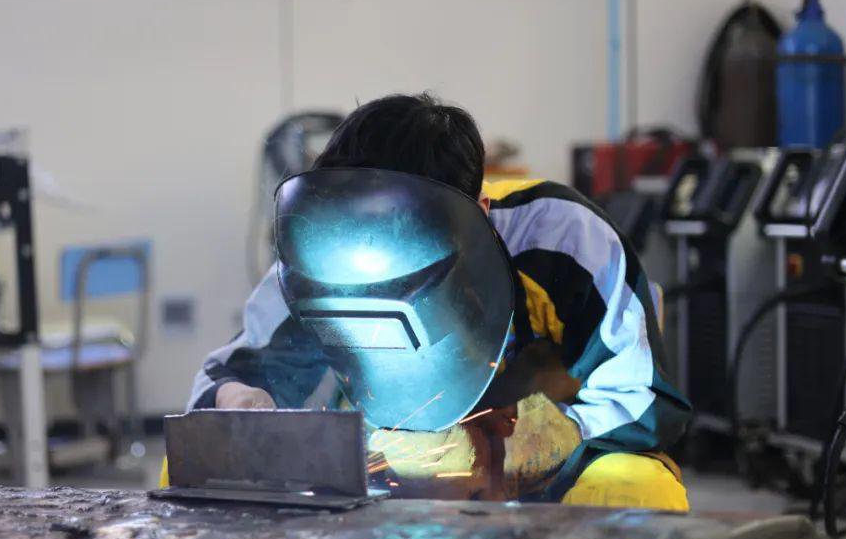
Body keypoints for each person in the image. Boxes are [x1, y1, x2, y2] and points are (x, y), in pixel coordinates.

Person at [187, 93, 691, 509]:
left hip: (543, 477)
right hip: (388, 471)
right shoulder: (318, 254)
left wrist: (540, 441)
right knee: (200, 473)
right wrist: (239, 400)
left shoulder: (561, 238)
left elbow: (647, 398)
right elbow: (222, 379)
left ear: (481, 215)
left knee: (635, 488)